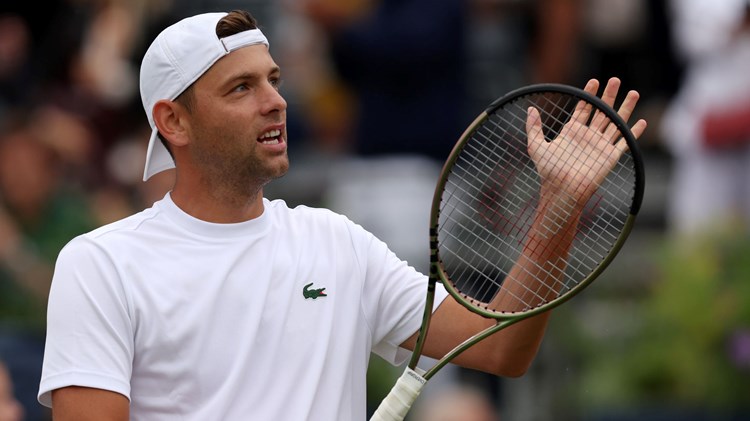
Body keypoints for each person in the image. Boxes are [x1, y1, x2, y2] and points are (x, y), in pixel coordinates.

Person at [36, 10, 646, 420]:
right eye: (240, 88)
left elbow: (502, 346)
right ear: (172, 121)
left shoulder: (335, 242)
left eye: (273, 80)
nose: (276, 101)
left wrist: (559, 208)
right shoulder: (100, 265)